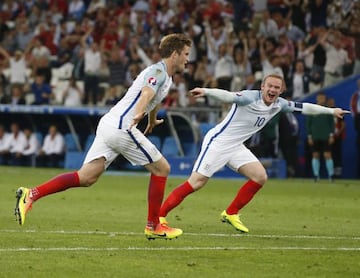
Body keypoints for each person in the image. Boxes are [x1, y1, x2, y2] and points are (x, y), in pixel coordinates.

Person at [14, 33, 192, 240]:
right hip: (121, 126)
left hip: (110, 124)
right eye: (186, 54)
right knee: (162, 168)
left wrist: (151, 119)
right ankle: (153, 225)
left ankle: (31, 194)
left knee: (86, 177)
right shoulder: (158, 71)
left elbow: (154, 98)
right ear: (175, 54)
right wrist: (139, 114)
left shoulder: (166, 77)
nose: (188, 58)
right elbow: (146, 93)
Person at [158, 74, 349, 234]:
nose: (273, 90)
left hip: (236, 146)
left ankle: (231, 212)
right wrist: (206, 91)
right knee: (196, 182)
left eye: (277, 87)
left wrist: (331, 111)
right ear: (262, 86)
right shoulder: (249, 97)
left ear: (281, 90)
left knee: (259, 176)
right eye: (270, 86)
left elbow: (304, 107)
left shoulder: (279, 104)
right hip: (218, 142)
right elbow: (227, 96)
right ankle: (160, 217)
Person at [306, 92, 336, 181]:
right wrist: (309, 136)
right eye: (320, 98)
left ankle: (331, 175)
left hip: (325, 136)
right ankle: (316, 175)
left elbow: (332, 124)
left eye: (323, 98)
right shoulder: (312, 110)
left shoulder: (327, 110)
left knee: (328, 155)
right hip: (315, 136)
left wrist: (331, 135)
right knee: (315, 155)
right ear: (317, 98)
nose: (321, 99)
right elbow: (308, 124)